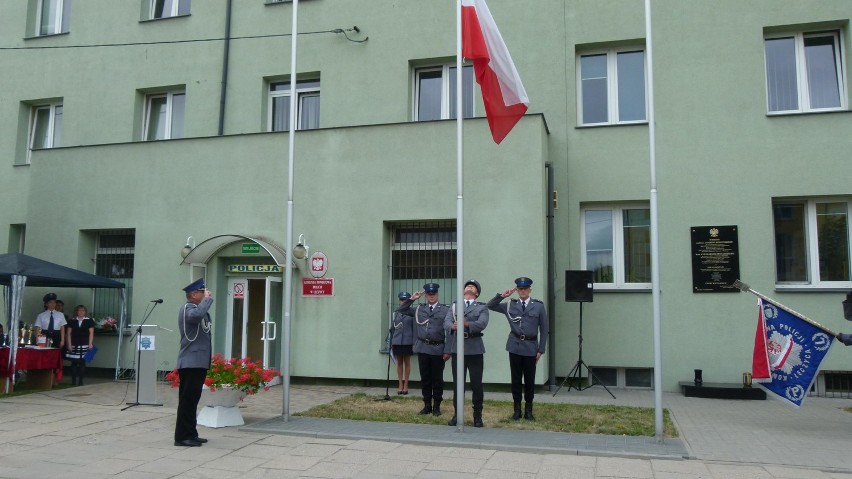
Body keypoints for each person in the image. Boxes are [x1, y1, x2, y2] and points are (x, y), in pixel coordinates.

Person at [487, 277, 549, 421]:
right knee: (515, 380)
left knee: (529, 380)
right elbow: (490, 305)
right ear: (517, 290)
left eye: (525, 289)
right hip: (514, 346)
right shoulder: (510, 305)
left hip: (531, 347)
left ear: (530, 290)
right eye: (520, 289)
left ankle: (528, 410)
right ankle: (516, 410)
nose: (522, 291)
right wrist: (502, 296)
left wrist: (541, 349)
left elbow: (544, 329)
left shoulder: (538, 306)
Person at [396, 283, 450, 416]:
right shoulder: (419, 309)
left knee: (437, 379)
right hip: (423, 348)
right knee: (425, 379)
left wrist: (448, 350)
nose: (431, 297)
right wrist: (412, 299)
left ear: (437, 295)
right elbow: (401, 310)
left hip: (438, 348)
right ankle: (427, 405)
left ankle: (436, 406)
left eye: (434, 294)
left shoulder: (445, 310)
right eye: (429, 295)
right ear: (425, 295)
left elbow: (449, 332)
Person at [174, 278, 213, 447]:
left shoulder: (197, 308)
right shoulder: (188, 308)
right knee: (187, 401)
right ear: (193, 294)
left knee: (193, 401)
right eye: (202, 292)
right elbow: (196, 317)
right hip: (190, 361)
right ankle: (182, 437)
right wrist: (208, 300)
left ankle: (191, 433)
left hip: (198, 361)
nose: (205, 293)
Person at [445, 279, 489, 427]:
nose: (470, 287)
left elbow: (482, 323)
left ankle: (478, 416)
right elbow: (446, 322)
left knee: (476, 385)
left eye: (473, 287)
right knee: (458, 384)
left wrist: (467, 324)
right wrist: (453, 325)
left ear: (476, 293)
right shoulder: (455, 306)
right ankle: (457, 415)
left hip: (475, 349)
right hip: (458, 348)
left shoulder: (481, 307)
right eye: (467, 286)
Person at [390, 292, 414, 395]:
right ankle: (400, 384)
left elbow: (415, 328)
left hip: (408, 341)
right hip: (397, 340)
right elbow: (392, 329)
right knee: (399, 362)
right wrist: (391, 341)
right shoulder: (396, 313)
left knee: (407, 362)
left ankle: (406, 385)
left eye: (405, 300)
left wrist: (414, 342)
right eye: (401, 300)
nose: (403, 302)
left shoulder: (412, 312)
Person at [65, 305, 95, 386]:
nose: (81, 312)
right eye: (79, 310)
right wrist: (69, 344)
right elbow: (68, 333)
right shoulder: (72, 321)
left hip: (85, 344)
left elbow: (91, 333)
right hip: (74, 344)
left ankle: (81, 381)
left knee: (82, 363)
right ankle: (73, 381)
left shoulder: (89, 321)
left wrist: (90, 343)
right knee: (74, 363)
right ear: (76, 312)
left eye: (83, 310)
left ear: (85, 312)